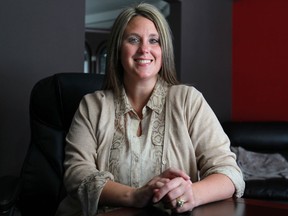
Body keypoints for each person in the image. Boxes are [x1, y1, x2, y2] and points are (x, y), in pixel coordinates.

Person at [56, 3, 245, 216]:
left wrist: (191, 194)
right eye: (133, 39)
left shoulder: (188, 100)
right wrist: (135, 196)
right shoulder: (92, 105)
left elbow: (230, 174)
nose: (144, 49)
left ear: (163, 50)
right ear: (118, 49)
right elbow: (77, 174)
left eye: (154, 40)